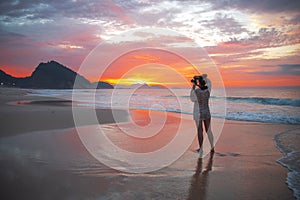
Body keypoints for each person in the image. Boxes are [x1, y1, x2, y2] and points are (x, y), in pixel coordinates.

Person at [190, 75, 214, 154]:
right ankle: (212, 147)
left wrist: (193, 86)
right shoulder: (208, 90)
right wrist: (204, 77)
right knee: (208, 130)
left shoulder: (196, 91)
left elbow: (192, 99)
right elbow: (209, 83)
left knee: (200, 131)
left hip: (198, 113)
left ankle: (201, 149)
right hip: (206, 112)